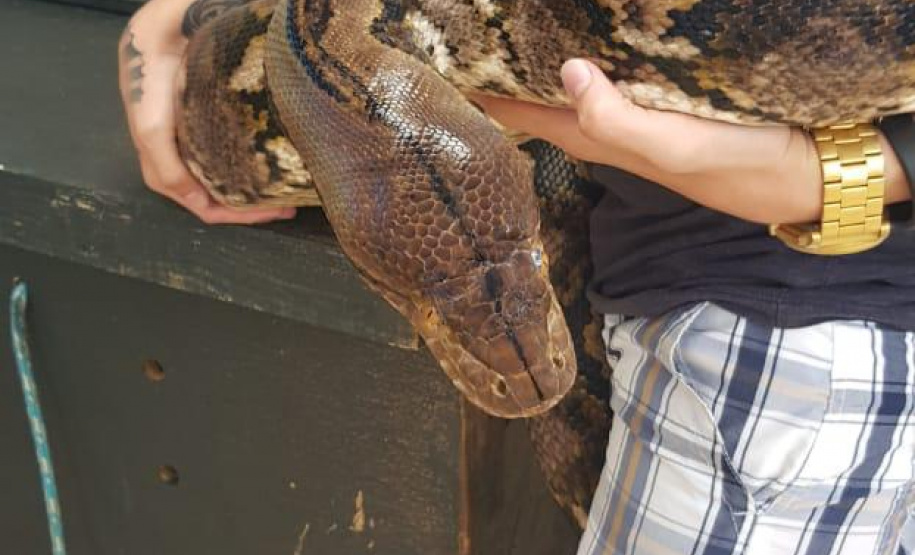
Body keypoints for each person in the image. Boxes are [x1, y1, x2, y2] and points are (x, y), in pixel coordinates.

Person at [119, 1, 915, 553]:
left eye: (527, 251)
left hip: (795, 348)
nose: (527, 376)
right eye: (433, 312)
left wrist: (845, 175)